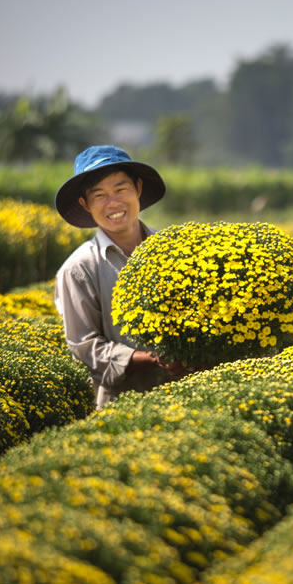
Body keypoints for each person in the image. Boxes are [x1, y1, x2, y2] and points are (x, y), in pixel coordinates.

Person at [54, 145, 185, 409]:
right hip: (123, 406)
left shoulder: (174, 250)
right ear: (85, 204)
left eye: (120, 189)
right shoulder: (79, 268)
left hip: (187, 395)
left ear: (137, 188)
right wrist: (145, 358)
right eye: (99, 195)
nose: (113, 203)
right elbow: (83, 345)